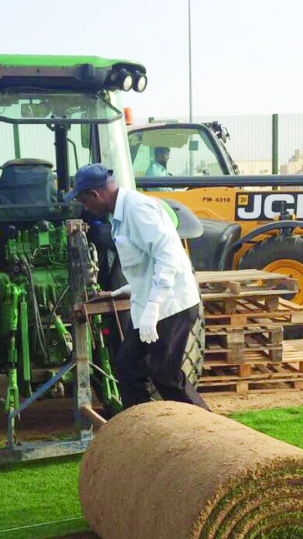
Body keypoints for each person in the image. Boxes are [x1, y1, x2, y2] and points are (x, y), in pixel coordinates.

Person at [67, 163, 209, 411]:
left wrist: (154, 306)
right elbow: (144, 267)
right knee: (128, 368)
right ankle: (142, 429)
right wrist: (116, 293)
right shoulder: (120, 216)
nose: (84, 207)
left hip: (170, 306)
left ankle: (208, 431)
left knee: (165, 376)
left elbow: (169, 256)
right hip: (147, 305)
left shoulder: (138, 209)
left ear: (95, 195)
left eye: (83, 200)